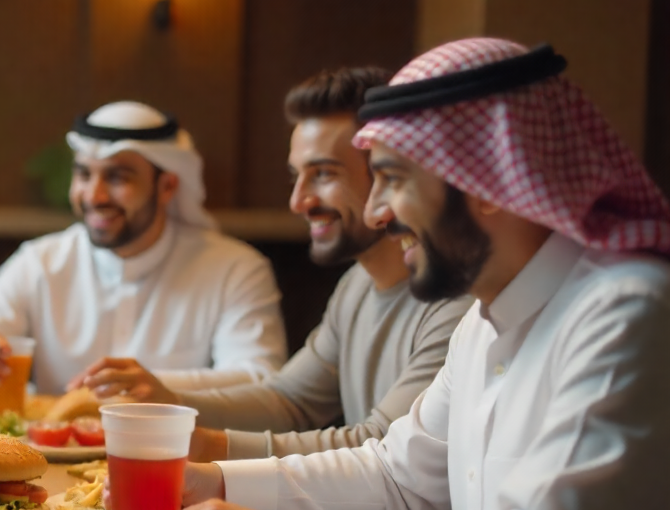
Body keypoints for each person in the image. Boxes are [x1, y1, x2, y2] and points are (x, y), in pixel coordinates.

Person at [159, 39, 670, 510]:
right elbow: (397, 478)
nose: (377, 211)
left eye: (395, 180)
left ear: (487, 183)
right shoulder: (483, 318)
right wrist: (213, 482)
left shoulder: (628, 311)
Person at [76, 68, 472, 461]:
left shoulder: (455, 298)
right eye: (296, 177)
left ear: (388, 174)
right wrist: (168, 402)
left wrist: (208, 444)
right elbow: (289, 402)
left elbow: (384, 450)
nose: (299, 202)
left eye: (323, 174)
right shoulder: (356, 285)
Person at [0, 101, 287, 401]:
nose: (93, 196)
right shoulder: (40, 263)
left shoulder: (235, 270)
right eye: (83, 175)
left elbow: (262, 381)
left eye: (117, 177)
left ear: (168, 186)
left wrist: (152, 383)